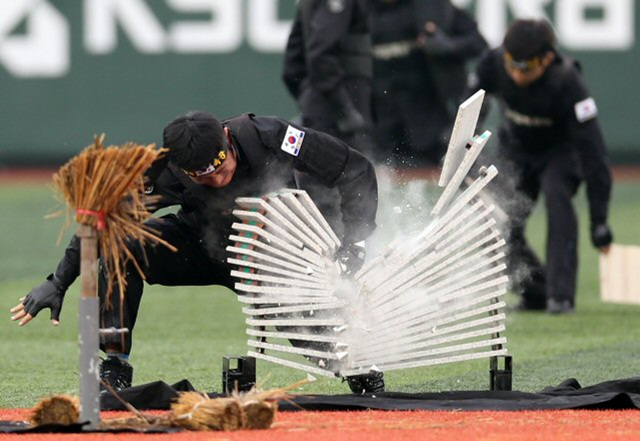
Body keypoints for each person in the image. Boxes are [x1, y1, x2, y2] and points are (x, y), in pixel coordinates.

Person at [9, 111, 384, 393]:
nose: (217, 178)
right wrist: (58, 281)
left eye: (221, 166)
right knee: (121, 247)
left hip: (271, 255)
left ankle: (352, 363)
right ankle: (115, 365)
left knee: (348, 360)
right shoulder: (163, 170)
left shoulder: (272, 137)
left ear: (226, 137)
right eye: (202, 176)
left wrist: (356, 239)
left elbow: (353, 168)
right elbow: (103, 220)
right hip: (200, 245)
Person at [468, 19, 613, 314]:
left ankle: (561, 297)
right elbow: (471, 109)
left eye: (527, 66)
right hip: (516, 147)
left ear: (547, 58)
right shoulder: (493, 62)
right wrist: (461, 151)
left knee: (558, 200)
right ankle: (534, 290)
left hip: (560, 151)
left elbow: (594, 154)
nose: (517, 74)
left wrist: (599, 220)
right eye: (512, 64)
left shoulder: (568, 81)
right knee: (498, 216)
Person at [370, 0, 487, 165]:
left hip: (429, 124)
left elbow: (478, 43)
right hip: (377, 125)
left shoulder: (432, 7)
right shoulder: (355, 11)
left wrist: (447, 46)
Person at [282, 0, 375, 156]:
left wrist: (309, 99)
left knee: (304, 170)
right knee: (354, 173)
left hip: (318, 104)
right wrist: (344, 107)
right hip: (342, 105)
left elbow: (292, 66)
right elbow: (320, 54)